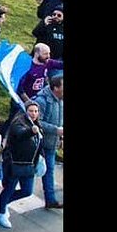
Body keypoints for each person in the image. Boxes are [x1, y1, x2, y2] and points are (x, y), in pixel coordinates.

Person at [0, 102, 44, 229]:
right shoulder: (19, 123)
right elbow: (21, 134)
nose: (34, 114)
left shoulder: (37, 124)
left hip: (29, 165)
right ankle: (1, 213)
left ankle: (3, 203)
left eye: (36, 111)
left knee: (27, 191)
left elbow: (39, 143)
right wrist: (31, 132)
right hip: (14, 163)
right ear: (25, 111)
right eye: (31, 111)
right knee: (9, 188)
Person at [34, 73, 63, 208]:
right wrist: (56, 130)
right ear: (56, 87)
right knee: (31, 171)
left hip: (52, 142)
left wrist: (60, 136)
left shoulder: (60, 100)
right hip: (40, 143)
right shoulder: (42, 100)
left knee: (49, 170)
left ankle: (50, 199)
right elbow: (37, 122)